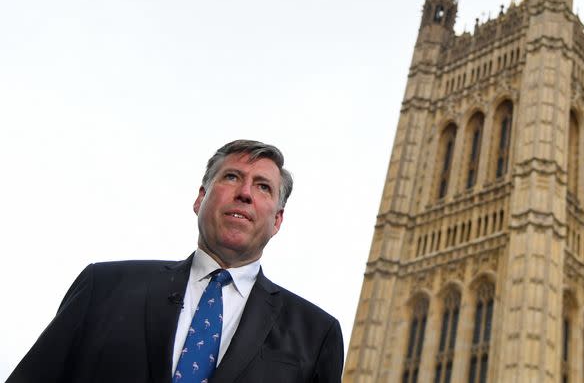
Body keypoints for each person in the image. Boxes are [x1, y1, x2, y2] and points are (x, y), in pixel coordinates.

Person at [8, 140, 343, 383]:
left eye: (263, 187)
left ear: (278, 221)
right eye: (231, 177)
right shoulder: (105, 287)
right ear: (200, 198)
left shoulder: (315, 334)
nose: (245, 193)